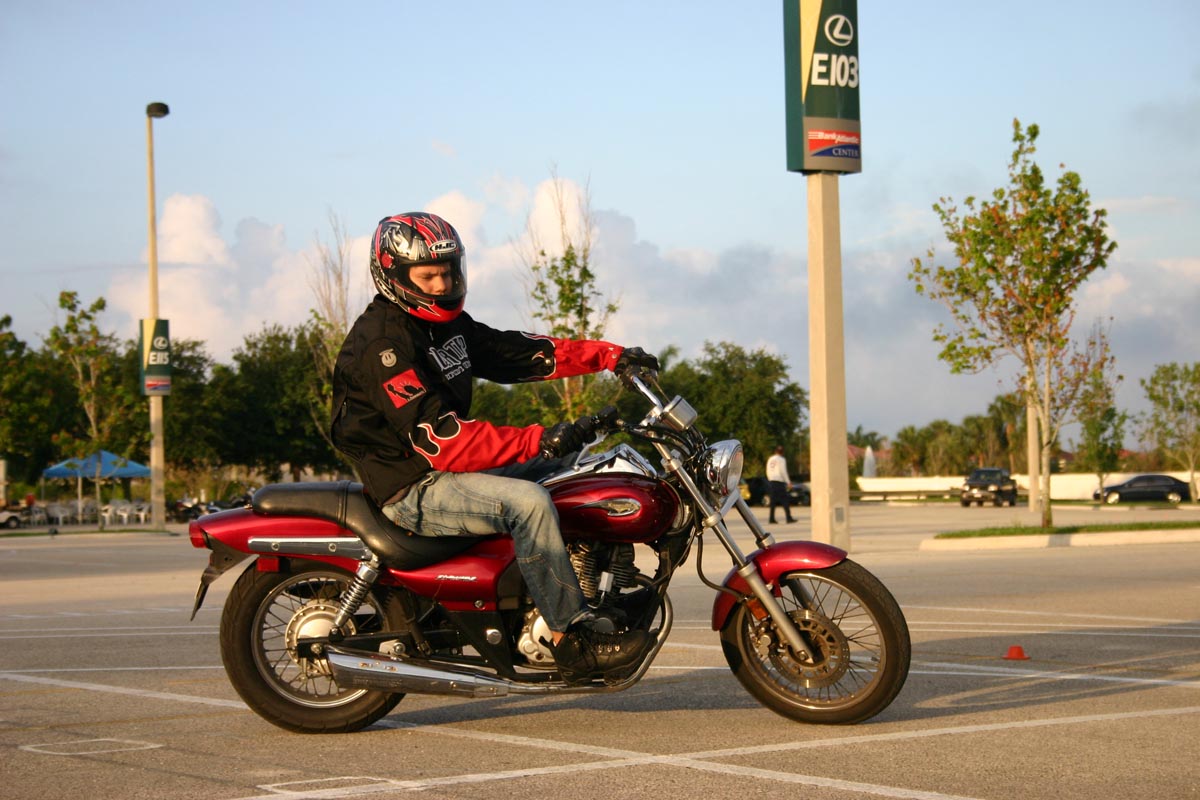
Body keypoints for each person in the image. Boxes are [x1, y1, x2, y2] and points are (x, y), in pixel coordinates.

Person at [330, 211, 660, 685]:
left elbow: (516, 351)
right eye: (428, 276)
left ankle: (600, 592)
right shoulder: (383, 344)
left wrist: (610, 356)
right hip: (413, 484)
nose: (443, 285)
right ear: (394, 275)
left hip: (446, 472)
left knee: (582, 470)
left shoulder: (446, 327)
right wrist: (536, 438)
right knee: (529, 503)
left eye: (448, 272)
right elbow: (441, 440)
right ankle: (571, 638)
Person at [766, 445, 796, 524]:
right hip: (779, 481)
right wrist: (788, 482)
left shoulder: (770, 459)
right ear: (782, 452)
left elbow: (767, 470)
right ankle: (788, 518)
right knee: (785, 500)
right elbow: (783, 471)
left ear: (775, 451)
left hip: (772, 481)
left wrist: (770, 478)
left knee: (773, 501)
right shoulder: (781, 459)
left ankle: (771, 518)